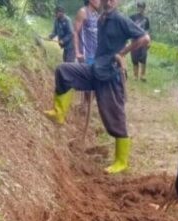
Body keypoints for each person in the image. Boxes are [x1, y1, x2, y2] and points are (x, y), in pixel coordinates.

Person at [43, 0, 150, 174]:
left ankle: (121, 161)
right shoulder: (101, 19)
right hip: (95, 69)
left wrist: (122, 53)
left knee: (114, 117)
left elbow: (144, 38)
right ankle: (59, 113)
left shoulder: (120, 19)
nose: (108, 1)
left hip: (110, 75)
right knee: (64, 71)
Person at [129, 2, 151, 81]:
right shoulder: (132, 17)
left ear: (144, 8)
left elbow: (148, 31)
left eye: (142, 7)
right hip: (134, 40)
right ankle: (135, 75)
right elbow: (128, 27)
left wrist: (149, 41)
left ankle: (143, 75)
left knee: (143, 57)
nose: (140, 9)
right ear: (137, 8)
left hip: (143, 40)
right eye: (139, 7)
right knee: (134, 58)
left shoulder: (146, 19)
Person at [74, 0, 100, 65]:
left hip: (95, 56)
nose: (100, 1)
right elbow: (75, 32)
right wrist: (77, 52)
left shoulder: (97, 15)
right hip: (85, 56)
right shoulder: (83, 12)